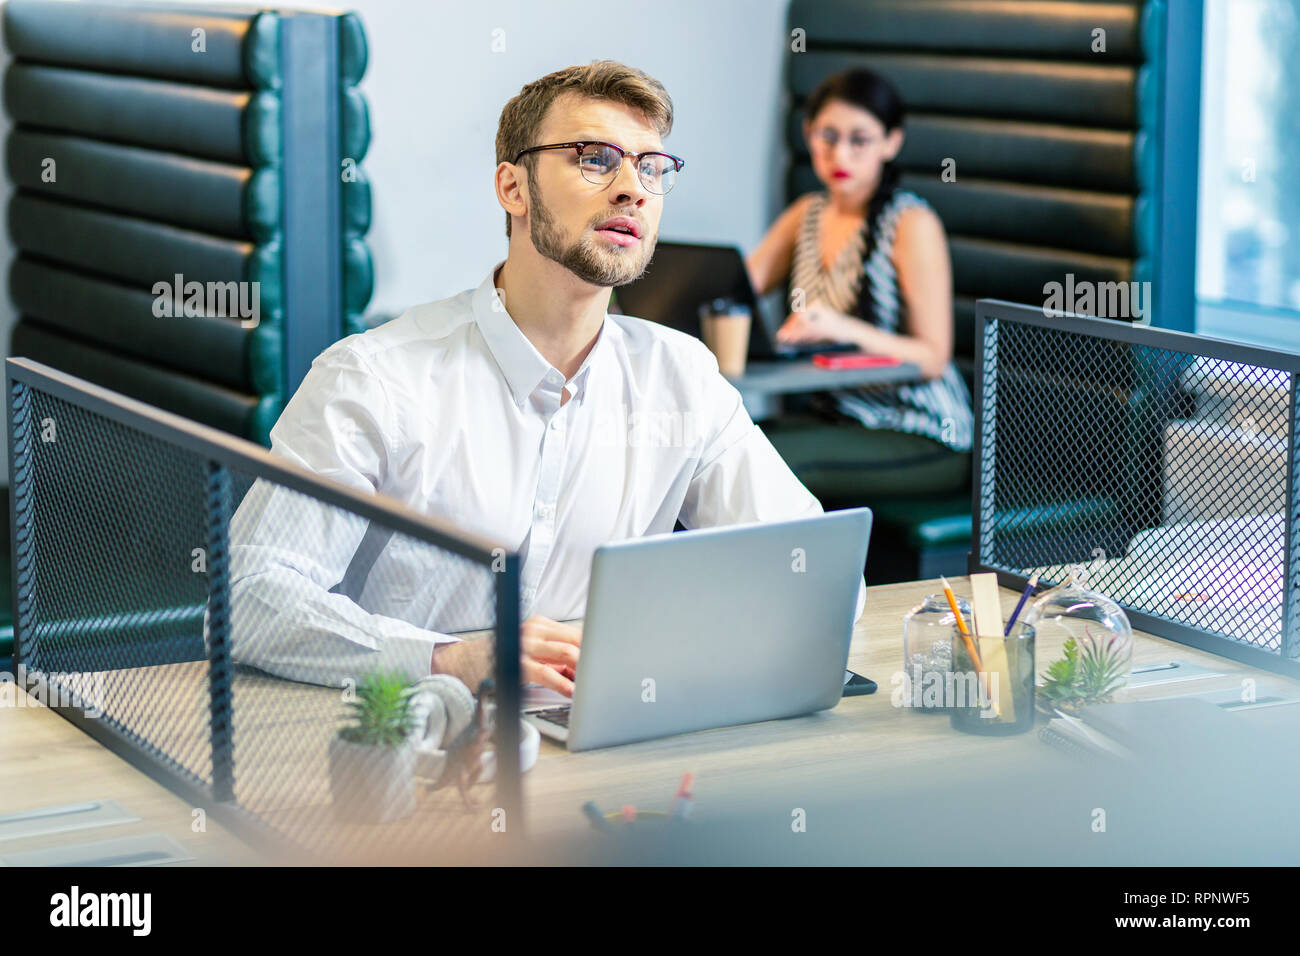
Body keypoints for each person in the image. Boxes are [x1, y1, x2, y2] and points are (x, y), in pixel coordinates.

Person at [226, 60, 861, 693]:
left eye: (650, 167)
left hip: (602, 746)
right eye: (594, 158)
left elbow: (819, 575)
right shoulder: (374, 379)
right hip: (412, 748)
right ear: (513, 188)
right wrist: (453, 658)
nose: (632, 188)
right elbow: (250, 601)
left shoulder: (681, 376)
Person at [746, 68, 974, 504]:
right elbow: (731, 291)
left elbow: (932, 357)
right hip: (841, 421)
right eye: (827, 136)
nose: (840, 155)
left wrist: (843, 328)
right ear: (808, 134)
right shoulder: (806, 214)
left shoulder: (911, 224)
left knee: (766, 464)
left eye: (860, 140)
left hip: (922, 431)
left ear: (892, 142)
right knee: (715, 446)